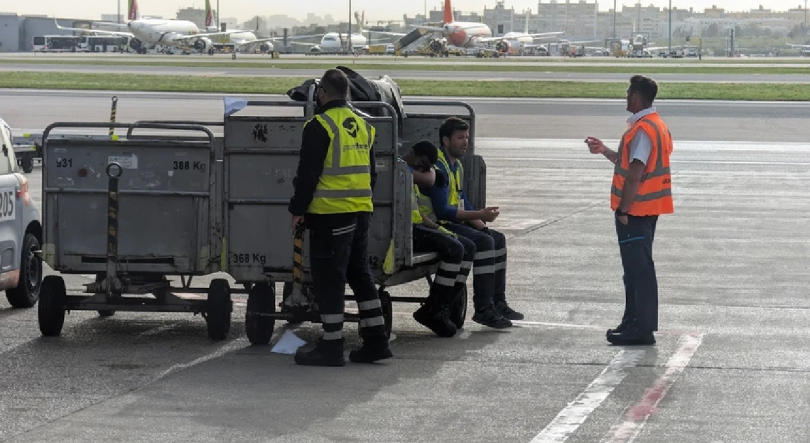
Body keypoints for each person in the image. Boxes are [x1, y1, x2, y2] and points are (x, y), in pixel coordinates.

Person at [288, 69, 392, 366]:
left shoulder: (319, 125)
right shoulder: (364, 125)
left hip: (331, 215)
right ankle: (376, 341)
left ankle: (332, 344)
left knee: (329, 278)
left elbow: (307, 175)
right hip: (361, 211)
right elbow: (371, 174)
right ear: (347, 93)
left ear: (321, 93)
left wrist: (297, 210)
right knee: (359, 274)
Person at [585, 75, 674, 346]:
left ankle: (642, 328)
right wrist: (605, 151)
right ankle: (632, 320)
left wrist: (623, 209)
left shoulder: (643, 130)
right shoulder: (656, 126)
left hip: (635, 211)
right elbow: (631, 164)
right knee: (634, 269)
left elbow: (635, 175)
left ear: (636, 98)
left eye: (627, 94)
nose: (626, 97)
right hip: (647, 209)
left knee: (639, 270)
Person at [427, 117, 522, 329]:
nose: (465, 142)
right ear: (445, 140)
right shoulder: (439, 167)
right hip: (440, 223)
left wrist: (483, 224)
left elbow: (463, 202)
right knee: (484, 243)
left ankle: (498, 302)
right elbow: (443, 210)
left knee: (496, 239)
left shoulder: (457, 166)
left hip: (456, 220)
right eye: (460, 137)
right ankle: (483, 308)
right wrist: (480, 214)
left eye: (467, 137)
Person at [403, 140, 476, 337]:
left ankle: (444, 306)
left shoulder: (413, 173)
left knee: (466, 246)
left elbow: (418, 212)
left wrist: (439, 230)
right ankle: (434, 309)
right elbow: (428, 179)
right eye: (421, 163)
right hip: (403, 231)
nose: (422, 168)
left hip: (418, 225)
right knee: (455, 249)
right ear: (411, 153)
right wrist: (432, 172)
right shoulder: (400, 169)